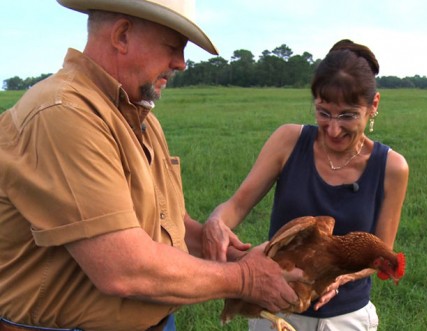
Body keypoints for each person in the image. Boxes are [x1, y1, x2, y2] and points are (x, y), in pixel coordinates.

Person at [0, 1, 302, 330]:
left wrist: (244, 260)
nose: (181, 64)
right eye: (173, 47)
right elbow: (123, 269)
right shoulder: (62, 114)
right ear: (122, 35)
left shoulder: (141, 117)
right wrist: (245, 278)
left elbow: (171, 227)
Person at [201, 39, 410, 331]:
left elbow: (382, 251)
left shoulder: (391, 167)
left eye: (348, 115)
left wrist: (340, 277)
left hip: (345, 319)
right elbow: (237, 204)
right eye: (323, 112)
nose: (333, 129)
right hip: (274, 308)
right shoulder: (288, 142)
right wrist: (215, 221)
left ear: (373, 106)